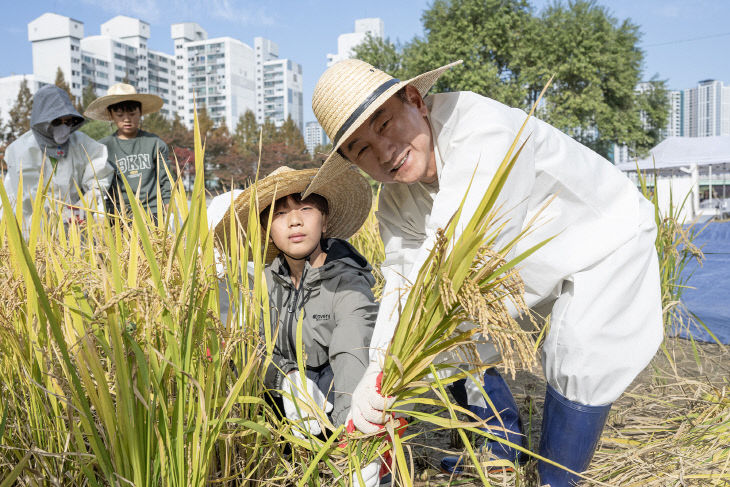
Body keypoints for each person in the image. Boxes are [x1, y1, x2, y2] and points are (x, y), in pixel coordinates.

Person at [307, 59, 663, 486]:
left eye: (384, 124)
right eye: (361, 149)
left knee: (581, 353)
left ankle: (557, 478)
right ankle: (499, 448)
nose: (383, 152)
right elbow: (403, 279)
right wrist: (377, 369)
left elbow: (452, 249)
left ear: (415, 101)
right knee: (450, 337)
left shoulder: (482, 129)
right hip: (519, 266)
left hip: (600, 238)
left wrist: (385, 373)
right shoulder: (395, 203)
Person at [209, 166, 383, 485]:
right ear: (267, 228)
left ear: (324, 220)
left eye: (305, 208)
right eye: (280, 213)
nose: (295, 221)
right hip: (291, 416)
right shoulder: (264, 283)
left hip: (343, 409)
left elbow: (352, 355)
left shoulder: (347, 284)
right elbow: (250, 348)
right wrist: (287, 378)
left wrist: (356, 443)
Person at [2, 85, 111, 234]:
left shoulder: (82, 143)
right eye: (57, 122)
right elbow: (28, 198)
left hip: (77, 230)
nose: (64, 128)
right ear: (42, 121)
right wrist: (60, 214)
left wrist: (87, 200)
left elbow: (100, 172)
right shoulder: (21, 150)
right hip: (34, 232)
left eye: (68, 122)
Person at [84, 83, 171, 222]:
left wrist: (169, 211)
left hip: (152, 213)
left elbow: (166, 180)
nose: (126, 119)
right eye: (120, 115)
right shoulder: (103, 147)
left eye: (132, 114)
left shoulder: (154, 143)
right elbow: (96, 183)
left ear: (140, 113)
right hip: (118, 215)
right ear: (111, 115)